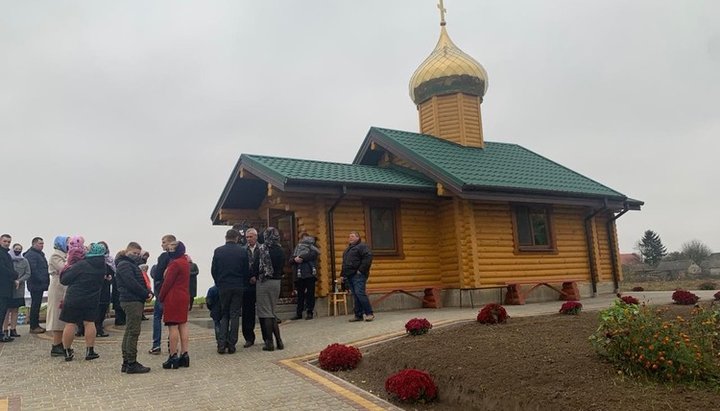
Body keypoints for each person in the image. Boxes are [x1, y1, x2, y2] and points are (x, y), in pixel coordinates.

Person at [59, 242, 109, 361]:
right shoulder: (103, 266)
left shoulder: (81, 265)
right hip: (92, 298)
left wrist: (67, 267)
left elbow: (64, 280)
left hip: (74, 298)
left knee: (70, 323)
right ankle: (90, 351)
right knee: (89, 323)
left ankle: (67, 351)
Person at [116, 242, 153, 374]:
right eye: (134, 253)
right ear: (127, 252)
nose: (136, 256)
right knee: (133, 332)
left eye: (138, 254)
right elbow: (131, 283)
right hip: (131, 300)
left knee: (129, 331)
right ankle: (131, 362)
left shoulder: (128, 264)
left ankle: (127, 362)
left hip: (133, 300)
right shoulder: (124, 265)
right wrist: (145, 294)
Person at [210, 229, 248, 354]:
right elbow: (246, 270)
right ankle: (232, 344)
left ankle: (221, 344)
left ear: (226, 237)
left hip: (223, 286)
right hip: (238, 285)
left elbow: (213, 270)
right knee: (235, 315)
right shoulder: (242, 251)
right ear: (237, 238)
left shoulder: (218, 251)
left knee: (224, 314)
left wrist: (218, 282)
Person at [159, 241, 191, 369]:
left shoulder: (175, 264)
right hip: (184, 296)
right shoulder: (186, 262)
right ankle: (185, 354)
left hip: (173, 297)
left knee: (172, 327)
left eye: (172, 248)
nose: (169, 251)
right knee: (183, 325)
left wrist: (161, 296)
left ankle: (173, 356)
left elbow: (167, 283)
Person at [256, 227, 285, 351]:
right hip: (277, 282)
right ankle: (279, 341)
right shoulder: (280, 249)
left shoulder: (262, 249)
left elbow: (256, 266)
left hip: (264, 282)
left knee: (265, 313)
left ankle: (269, 343)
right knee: (272, 312)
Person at [149, 234, 174, 355]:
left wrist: (153, 270)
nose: (162, 244)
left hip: (161, 291)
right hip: (174, 292)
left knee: (157, 317)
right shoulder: (180, 258)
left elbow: (157, 275)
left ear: (170, 243)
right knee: (173, 321)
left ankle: (156, 345)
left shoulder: (164, 256)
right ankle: (172, 345)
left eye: (164, 242)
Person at [342, 231, 374, 322]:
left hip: (358, 275)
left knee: (360, 293)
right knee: (355, 295)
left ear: (357, 237)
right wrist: (342, 275)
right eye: (349, 236)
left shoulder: (362, 246)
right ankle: (358, 315)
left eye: (352, 236)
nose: (350, 238)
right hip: (349, 275)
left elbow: (368, 258)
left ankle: (369, 313)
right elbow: (345, 263)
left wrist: (361, 270)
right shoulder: (348, 249)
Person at [46, 236, 69, 355]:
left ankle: (61, 343)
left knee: (63, 316)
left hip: (64, 286)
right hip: (57, 287)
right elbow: (64, 268)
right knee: (57, 316)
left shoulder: (64, 255)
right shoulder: (56, 255)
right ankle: (56, 344)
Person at [290, 233, 319, 320]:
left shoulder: (313, 248)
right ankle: (299, 313)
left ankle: (310, 312)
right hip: (299, 275)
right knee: (300, 295)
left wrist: (301, 258)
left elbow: (312, 255)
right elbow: (290, 260)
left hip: (310, 274)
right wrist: (295, 259)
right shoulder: (297, 248)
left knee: (310, 294)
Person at [4, 243, 30, 338]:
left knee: (15, 309)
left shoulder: (24, 261)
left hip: (19, 288)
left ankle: (13, 329)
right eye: (16, 248)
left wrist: (19, 280)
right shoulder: (8, 259)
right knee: (7, 310)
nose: (18, 250)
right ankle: (5, 329)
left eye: (20, 249)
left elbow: (28, 273)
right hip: (9, 287)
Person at [23, 237, 49, 334]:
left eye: (43, 243)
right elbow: (33, 270)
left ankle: (35, 324)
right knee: (35, 305)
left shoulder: (40, 254)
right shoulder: (31, 255)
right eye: (40, 243)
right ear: (34, 244)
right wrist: (42, 280)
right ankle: (34, 326)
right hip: (35, 284)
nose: (42, 245)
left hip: (40, 284)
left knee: (37, 305)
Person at [0, 234, 19, 343]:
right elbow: (3, 269)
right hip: (2, 287)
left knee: (3, 311)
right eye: (5, 241)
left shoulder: (6, 254)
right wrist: (14, 275)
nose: (7, 243)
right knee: (1, 311)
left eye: (8, 242)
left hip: (6, 287)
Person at [242, 228, 259, 348]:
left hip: (260, 282)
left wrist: (257, 277)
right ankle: (249, 337)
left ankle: (267, 336)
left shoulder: (262, 249)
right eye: (247, 237)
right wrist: (249, 277)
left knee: (263, 311)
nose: (249, 239)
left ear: (256, 237)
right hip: (247, 285)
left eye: (251, 237)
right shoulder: (242, 250)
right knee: (247, 312)